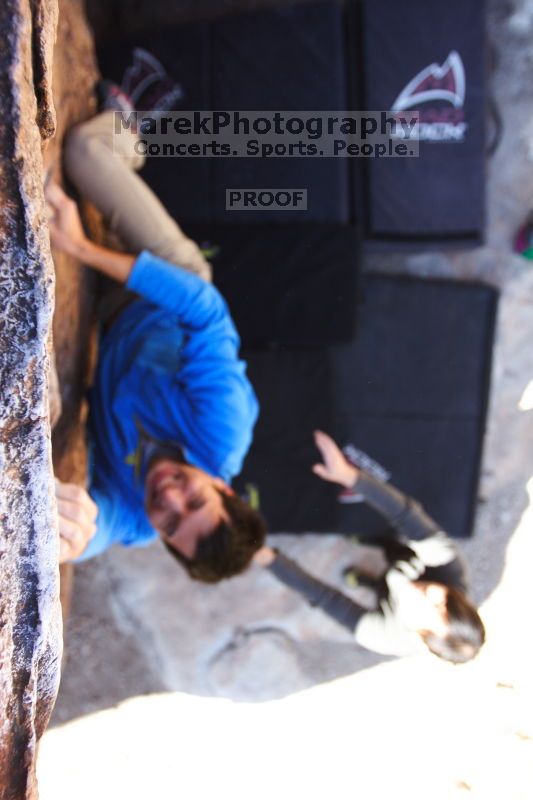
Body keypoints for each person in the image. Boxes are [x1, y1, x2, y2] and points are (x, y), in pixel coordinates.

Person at [47, 74, 265, 581]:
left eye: (170, 522)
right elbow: (206, 309)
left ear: (162, 538)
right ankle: (126, 130)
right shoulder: (223, 429)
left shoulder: (137, 518)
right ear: (224, 488)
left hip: (104, 322)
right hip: (160, 287)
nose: (168, 496)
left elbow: (99, 529)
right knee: (83, 151)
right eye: (194, 499)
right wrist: (80, 247)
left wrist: (74, 537)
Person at [254, 431, 485, 664]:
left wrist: (269, 559)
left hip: (395, 586)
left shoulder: (384, 637)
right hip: (403, 558)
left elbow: (325, 598)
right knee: (391, 545)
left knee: (382, 586)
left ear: (423, 640)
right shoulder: (451, 570)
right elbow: (407, 515)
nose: (425, 597)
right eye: (442, 602)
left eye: (428, 616)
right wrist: (350, 476)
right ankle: (372, 542)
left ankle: (368, 581)